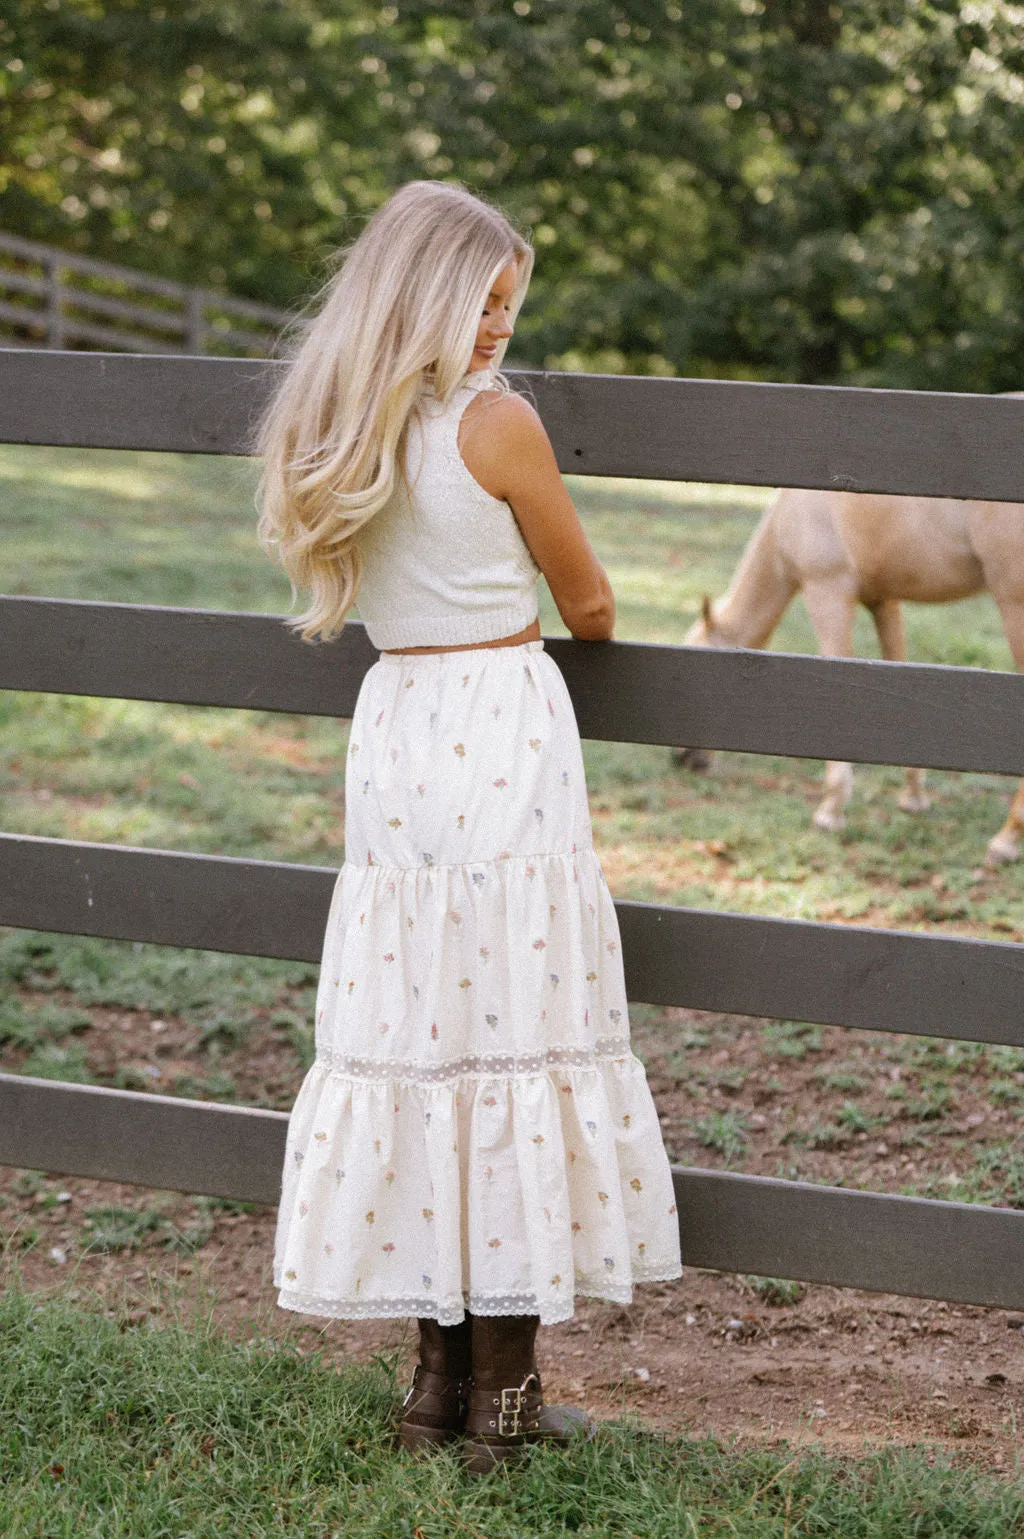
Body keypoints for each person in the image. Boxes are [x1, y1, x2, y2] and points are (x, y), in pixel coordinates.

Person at [255, 179, 681, 1473]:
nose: (499, 327)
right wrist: (590, 616)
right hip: (499, 728)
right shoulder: (497, 427)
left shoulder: (343, 420)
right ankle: (505, 1399)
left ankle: (433, 1384)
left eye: (510, 306)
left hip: (396, 735)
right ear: (430, 294)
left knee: (426, 1029)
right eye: (484, 301)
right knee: (512, 1026)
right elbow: (589, 598)